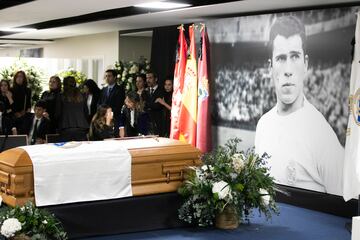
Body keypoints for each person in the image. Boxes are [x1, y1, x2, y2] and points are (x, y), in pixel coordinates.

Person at [254, 15, 344, 196]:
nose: (288, 70)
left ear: (306, 64)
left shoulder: (321, 133)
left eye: (295, 56)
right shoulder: (263, 125)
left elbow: (347, 208)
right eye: (280, 58)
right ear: (270, 67)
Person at [56, 76, 89, 141]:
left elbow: (57, 113)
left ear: (64, 84)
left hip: (66, 127)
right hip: (81, 127)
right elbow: (86, 112)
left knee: (66, 150)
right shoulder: (82, 95)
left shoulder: (61, 96)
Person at [98, 69, 125, 137]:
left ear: (115, 77)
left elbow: (119, 105)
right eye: (106, 76)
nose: (107, 78)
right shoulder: (103, 90)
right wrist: (102, 113)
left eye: (109, 76)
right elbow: (99, 102)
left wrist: (109, 114)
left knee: (113, 136)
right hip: (103, 118)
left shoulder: (119, 89)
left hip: (114, 118)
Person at [144, 71, 165, 136]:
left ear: (155, 79)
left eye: (150, 78)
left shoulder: (162, 90)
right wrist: (151, 104)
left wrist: (148, 104)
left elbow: (158, 106)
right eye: (147, 78)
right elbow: (143, 105)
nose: (148, 80)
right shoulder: (145, 91)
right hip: (147, 122)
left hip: (159, 121)